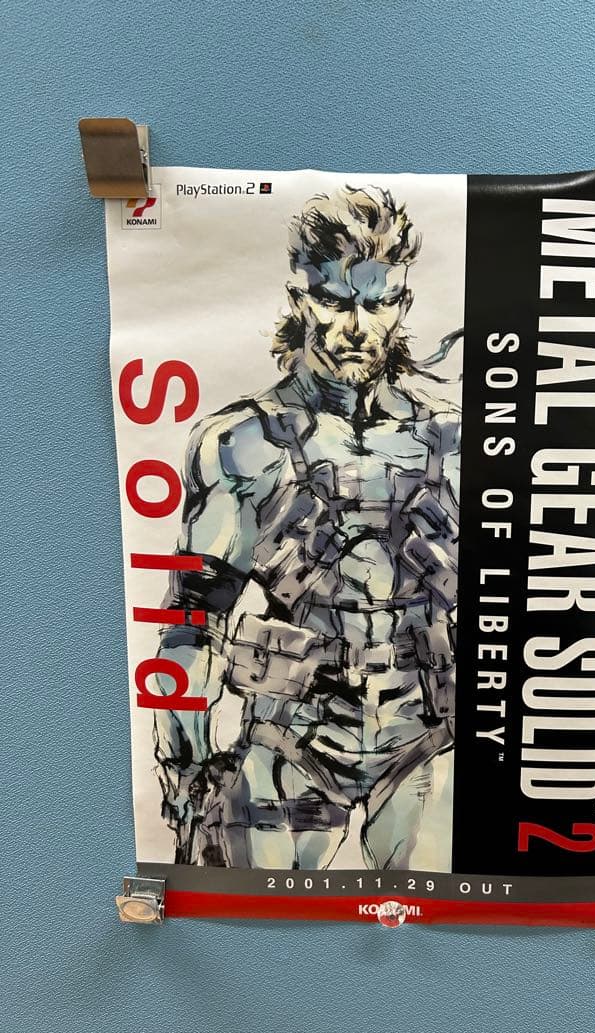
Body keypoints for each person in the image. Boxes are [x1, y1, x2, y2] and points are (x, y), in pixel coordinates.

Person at [154, 185, 462, 870]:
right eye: (334, 301)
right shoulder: (243, 443)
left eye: (377, 304)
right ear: (300, 298)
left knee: (435, 919)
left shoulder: (454, 440)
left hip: (426, 738)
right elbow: (192, 619)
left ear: (403, 304)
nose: (356, 325)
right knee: (250, 915)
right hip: (292, 739)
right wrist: (186, 764)